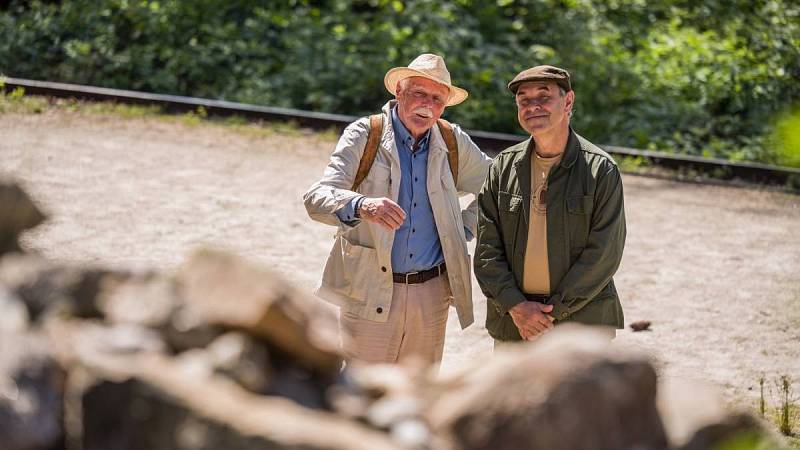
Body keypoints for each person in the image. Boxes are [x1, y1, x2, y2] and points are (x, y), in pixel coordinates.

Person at [303, 53, 491, 366]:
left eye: (436, 99)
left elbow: (499, 186)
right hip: (369, 287)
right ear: (398, 91)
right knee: (362, 391)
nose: (427, 106)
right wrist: (362, 205)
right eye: (418, 94)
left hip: (433, 293)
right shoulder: (364, 134)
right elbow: (316, 197)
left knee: (417, 395)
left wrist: (464, 227)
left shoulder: (452, 140)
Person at [474, 65, 626, 344]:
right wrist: (518, 308)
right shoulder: (502, 168)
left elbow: (604, 253)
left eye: (543, 97)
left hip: (581, 327)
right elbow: (486, 251)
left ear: (568, 102)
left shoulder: (600, 169)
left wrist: (550, 313)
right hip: (513, 325)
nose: (533, 106)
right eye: (524, 100)